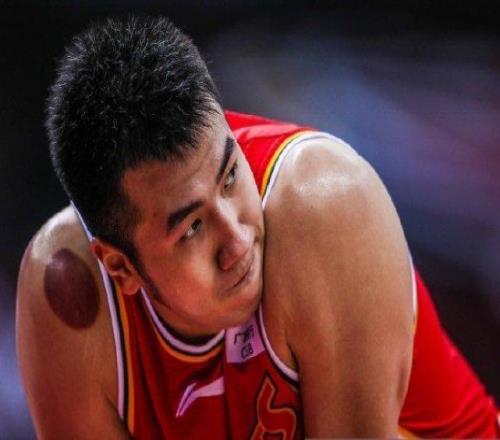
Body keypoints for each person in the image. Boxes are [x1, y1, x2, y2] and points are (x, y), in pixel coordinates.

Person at [16, 16, 498, 439]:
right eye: (193, 228)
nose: (238, 239)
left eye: (230, 177)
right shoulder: (69, 296)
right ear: (121, 268)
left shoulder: (327, 204)